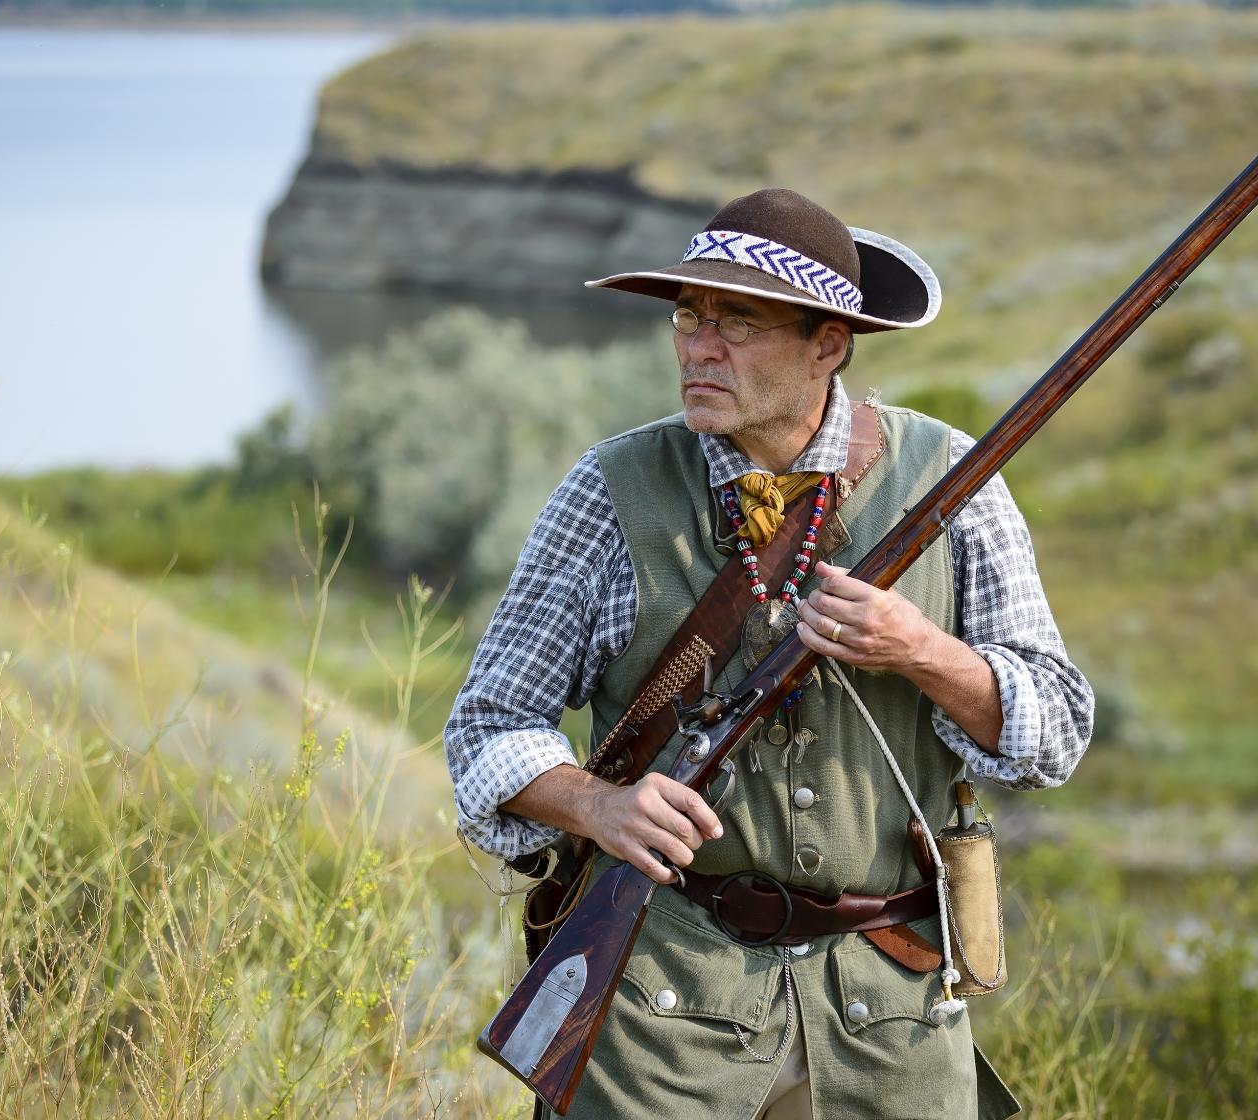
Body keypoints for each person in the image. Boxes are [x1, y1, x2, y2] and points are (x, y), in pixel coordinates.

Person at [447, 188, 1093, 1120]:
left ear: (828, 342)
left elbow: (1056, 733)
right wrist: (600, 806)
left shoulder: (954, 483)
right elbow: (488, 729)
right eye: (688, 317)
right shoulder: (609, 488)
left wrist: (923, 651)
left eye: (736, 323)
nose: (697, 348)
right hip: (658, 1020)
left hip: (891, 1023)